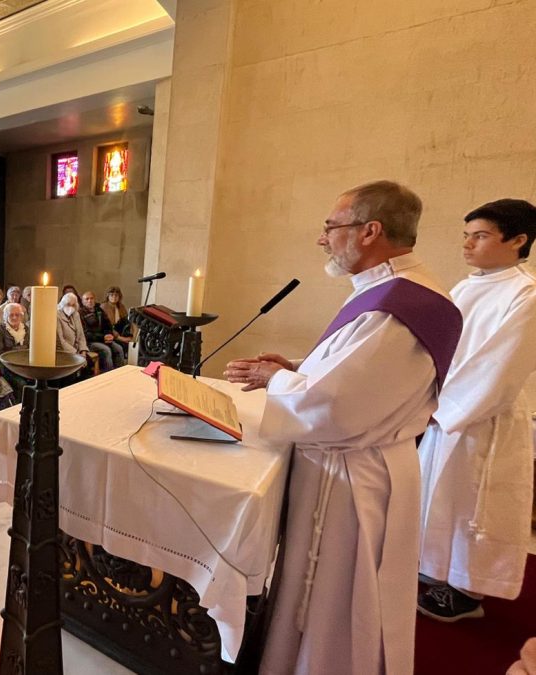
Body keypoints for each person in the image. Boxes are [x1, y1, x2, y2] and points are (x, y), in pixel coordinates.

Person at [222, 181, 462, 675]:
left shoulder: (404, 306)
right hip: (351, 465)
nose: (322, 238)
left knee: (338, 599)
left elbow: (338, 406)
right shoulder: (386, 291)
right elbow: (356, 377)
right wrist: (295, 366)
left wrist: (278, 379)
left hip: (355, 480)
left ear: (370, 231)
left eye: (331, 226)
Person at [416, 199, 536, 621]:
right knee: (436, 496)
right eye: (466, 236)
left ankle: (465, 592)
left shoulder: (526, 294)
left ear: (518, 240)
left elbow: (500, 366)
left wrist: (441, 408)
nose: (467, 245)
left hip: (483, 416)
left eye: (480, 236)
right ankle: (432, 573)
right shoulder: (468, 287)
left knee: (471, 505)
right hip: (442, 409)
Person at [0, 302, 30, 400]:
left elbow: (30, 349)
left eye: (17, 315)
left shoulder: (26, 329)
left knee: (39, 380)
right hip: (6, 367)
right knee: (22, 384)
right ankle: (18, 409)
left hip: (24, 365)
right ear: (5, 316)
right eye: (11, 315)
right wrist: (19, 350)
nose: (14, 317)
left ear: (21, 316)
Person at [80, 290, 125, 371]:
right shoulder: (80, 313)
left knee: (119, 348)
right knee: (106, 350)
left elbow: (107, 325)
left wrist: (109, 334)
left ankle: (119, 373)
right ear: (82, 301)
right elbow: (85, 334)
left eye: (91, 298)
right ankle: (108, 374)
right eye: (87, 299)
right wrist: (103, 337)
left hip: (103, 339)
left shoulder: (99, 310)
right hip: (90, 342)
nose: (90, 301)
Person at [56, 292, 90, 361]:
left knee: (88, 363)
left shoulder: (76, 314)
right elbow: (61, 341)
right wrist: (76, 354)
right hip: (65, 351)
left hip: (77, 350)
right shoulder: (57, 316)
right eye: (68, 304)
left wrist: (83, 351)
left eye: (73, 305)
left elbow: (81, 336)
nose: (71, 307)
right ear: (63, 304)